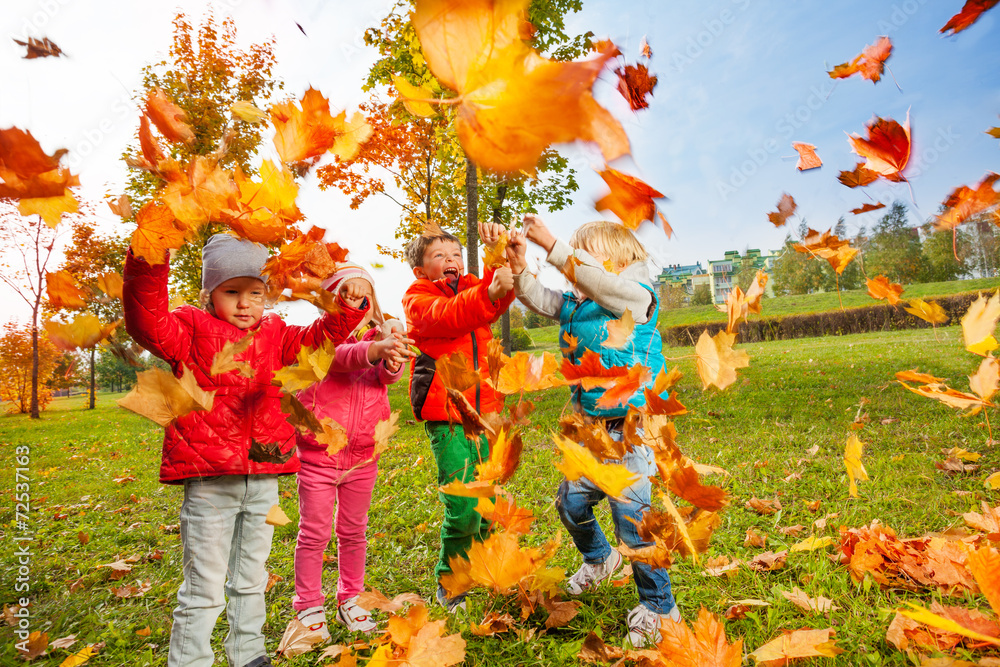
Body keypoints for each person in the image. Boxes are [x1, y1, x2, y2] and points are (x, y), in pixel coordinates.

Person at [122, 234, 366, 667]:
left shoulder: (277, 334)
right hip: (209, 481)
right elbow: (146, 321)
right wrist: (149, 258)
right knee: (205, 585)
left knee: (252, 576)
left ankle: (248, 653)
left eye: (256, 292)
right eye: (231, 292)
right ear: (208, 293)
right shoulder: (189, 330)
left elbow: (320, 341)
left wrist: (347, 309)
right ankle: (191, 660)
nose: (244, 303)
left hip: (263, 478)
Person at [506, 215, 679, 648]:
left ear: (617, 261)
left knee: (632, 521)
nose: (572, 266)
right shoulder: (581, 304)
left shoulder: (638, 297)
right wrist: (519, 266)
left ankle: (660, 607)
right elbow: (541, 299)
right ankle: (599, 561)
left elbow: (604, 287)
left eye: (583, 257)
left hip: (633, 431)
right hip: (592, 429)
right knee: (571, 502)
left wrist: (555, 245)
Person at [292, 263, 414, 638]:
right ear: (333, 298)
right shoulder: (320, 338)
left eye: (364, 291)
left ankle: (352, 598)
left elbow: (385, 376)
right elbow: (342, 359)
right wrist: (375, 349)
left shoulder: (381, 331)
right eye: (348, 291)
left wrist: (391, 358)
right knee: (314, 532)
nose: (358, 297)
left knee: (354, 530)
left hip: (363, 452)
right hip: (320, 451)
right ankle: (309, 606)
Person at [401, 222, 515, 612]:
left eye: (456, 255)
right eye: (440, 257)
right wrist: (489, 290)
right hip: (449, 415)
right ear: (421, 270)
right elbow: (450, 315)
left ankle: (480, 564)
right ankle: (451, 582)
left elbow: (497, 298)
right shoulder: (417, 298)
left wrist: (497, 253)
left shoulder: (471, 286)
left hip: (488, 413)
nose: (451, 261)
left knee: (487, 501)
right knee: (463, 503)